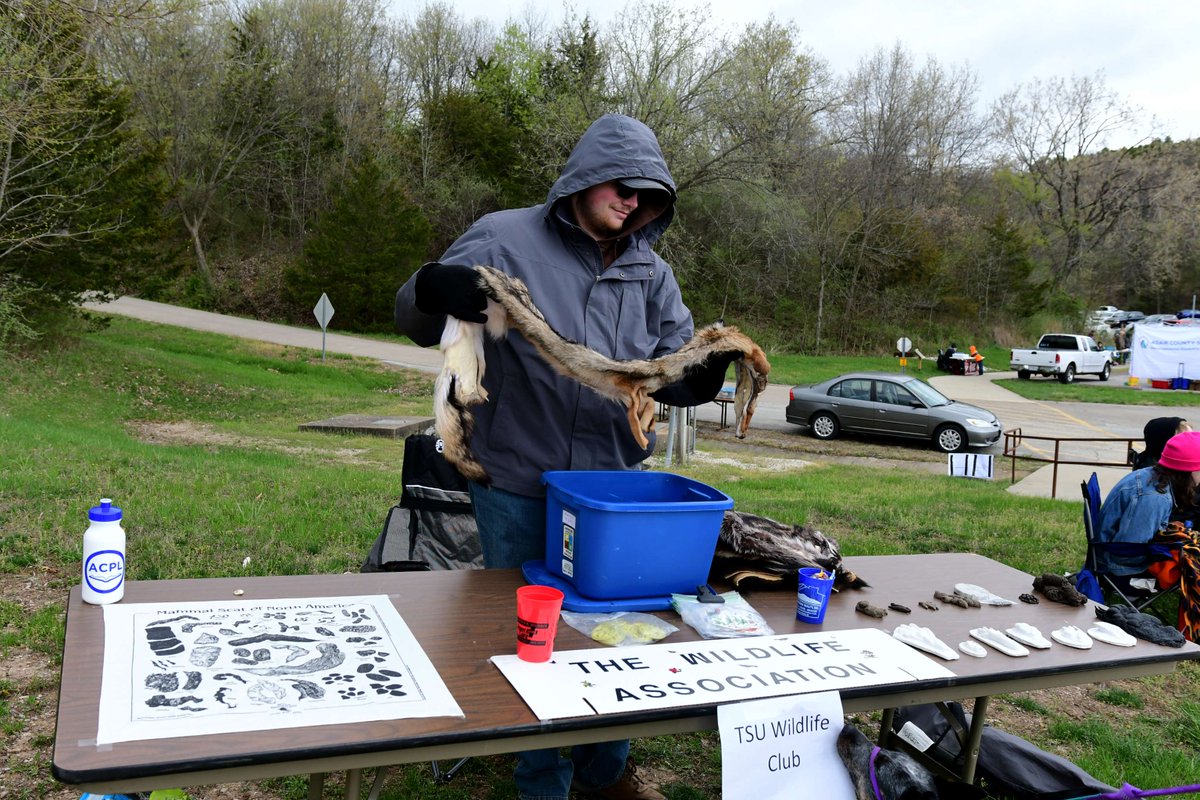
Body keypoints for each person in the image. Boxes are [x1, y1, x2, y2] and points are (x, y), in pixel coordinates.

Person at [395, 114, 734, 800]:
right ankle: (539, 777)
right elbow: (417, 313)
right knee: (534, 640)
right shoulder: (505, 236)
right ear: (584, 175)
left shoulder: (652, 271)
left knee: (619, 637)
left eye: (649, 191)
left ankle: (607, 772)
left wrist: (698, 378)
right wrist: (434, 288)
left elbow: (675, 360)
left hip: (615, 494)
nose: (634, 198)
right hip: (520, 479)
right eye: (622, 182)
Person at [1095, 430, 1200, 581]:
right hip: (1119, 568)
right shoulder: (1155, 498)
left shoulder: (1150, 474)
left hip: (1113, 555)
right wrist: (1174, 550)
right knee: (1193, 558)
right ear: (1188, 470)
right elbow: (1129, 550)